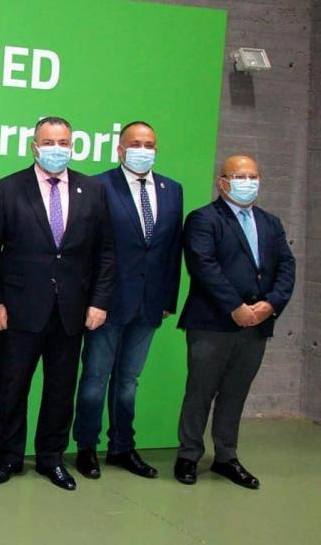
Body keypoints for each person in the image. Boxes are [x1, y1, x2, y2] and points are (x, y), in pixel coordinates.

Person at [0, 116, 115, 491]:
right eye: (49, 141)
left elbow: (105, 252)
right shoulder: (8, 188)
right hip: (20, 308)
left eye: (63, 142)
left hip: (71, 310)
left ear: (71, 145)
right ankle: (8, 457)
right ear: (34, 146)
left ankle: (51, 458)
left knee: (61, 389)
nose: (56, 148)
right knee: (12, 388)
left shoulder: (92, 190)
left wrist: (99, 302)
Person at [174, 154, 295, 489]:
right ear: (222, 182)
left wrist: (270, 304)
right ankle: (189, 454)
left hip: (257, 325)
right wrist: (235, 307)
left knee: (235, 392)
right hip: (212, 323)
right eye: (240, 176)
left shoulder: (271, 223)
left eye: (254, 176)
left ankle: (226, 456)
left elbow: (286, 266)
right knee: (200, 391)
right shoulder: (203, 220)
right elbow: (203, 265)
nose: (248, 183)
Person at [72, 121, 183, 480]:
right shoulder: (99, 186)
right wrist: (93, 300)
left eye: (149, 144)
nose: (143, 149)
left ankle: (122, 447)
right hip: (107, 304)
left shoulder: (172, 189)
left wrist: (168, 298)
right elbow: (90, 250)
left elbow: (171, 250)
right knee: (94, 379)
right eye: (135, 143)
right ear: (120, 150)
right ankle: (86, 447)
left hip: (149, 305)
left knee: (129, 381)